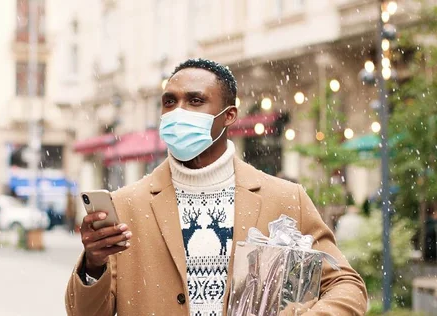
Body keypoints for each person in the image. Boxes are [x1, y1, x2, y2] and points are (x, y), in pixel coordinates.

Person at [65, 59, 367, 315]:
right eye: (170, 101)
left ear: (229, 116)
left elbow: (347, 287)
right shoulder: (126, 206)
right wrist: (94, 264)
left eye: (195, 101)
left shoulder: (286, 199)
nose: (178, 111)